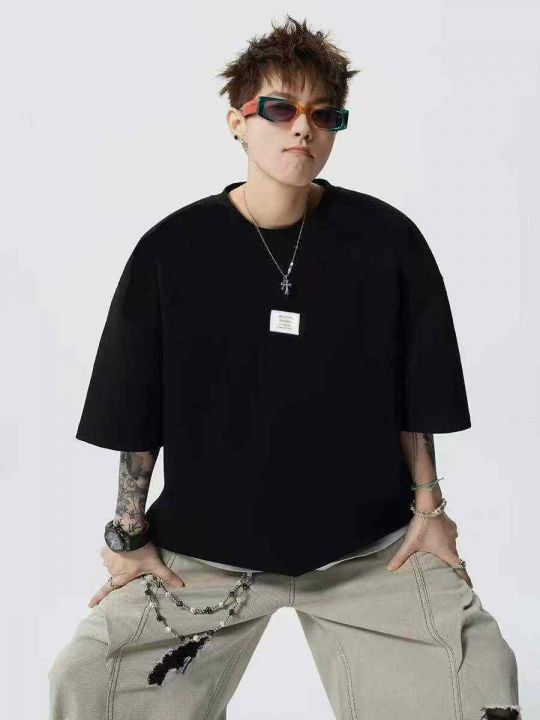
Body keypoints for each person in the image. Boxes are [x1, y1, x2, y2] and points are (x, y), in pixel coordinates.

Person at [48, 15, 521, 720]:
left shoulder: (385, 241)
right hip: (203, 558)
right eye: (280, 108)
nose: (303, 127)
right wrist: (129, 535)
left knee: (479, 677)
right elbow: (136, 407)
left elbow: (414, 394)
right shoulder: (172, 252)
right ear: (237, 121)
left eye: (324, 115)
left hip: (369, 552)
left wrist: (431, 510)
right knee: (87, 680)